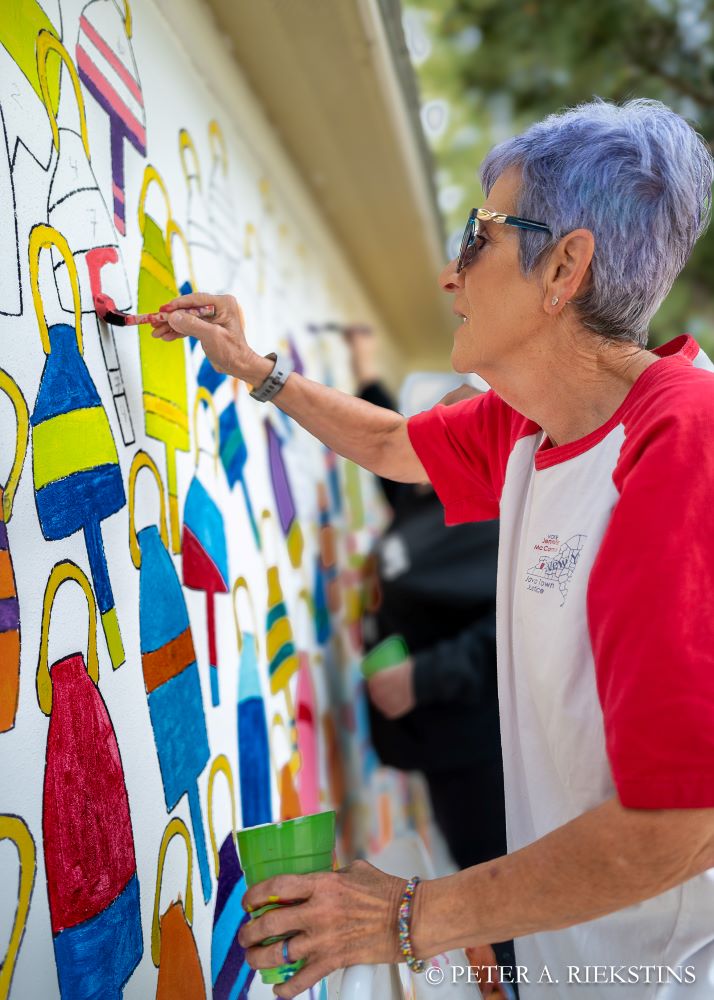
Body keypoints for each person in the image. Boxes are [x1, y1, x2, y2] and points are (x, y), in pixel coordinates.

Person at [151, 98, 714, 998]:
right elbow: (389, 443)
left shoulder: (683, 441)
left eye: (477, 238)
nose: (451, 276)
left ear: (564, 268)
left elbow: (683, 824)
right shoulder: (535, 425)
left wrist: (414, 916)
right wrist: (258, 369)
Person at [345, 325, 515, 991]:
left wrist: (421, 676)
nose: (440, 421)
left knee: (490, 896)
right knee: (466, 887)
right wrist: (366, 370)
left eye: (460, 413)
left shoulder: (501, 516)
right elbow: (387, 456)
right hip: (435, 738)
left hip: (478, 750)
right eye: (439, 411)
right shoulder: (428, 493)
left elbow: (508, 632)